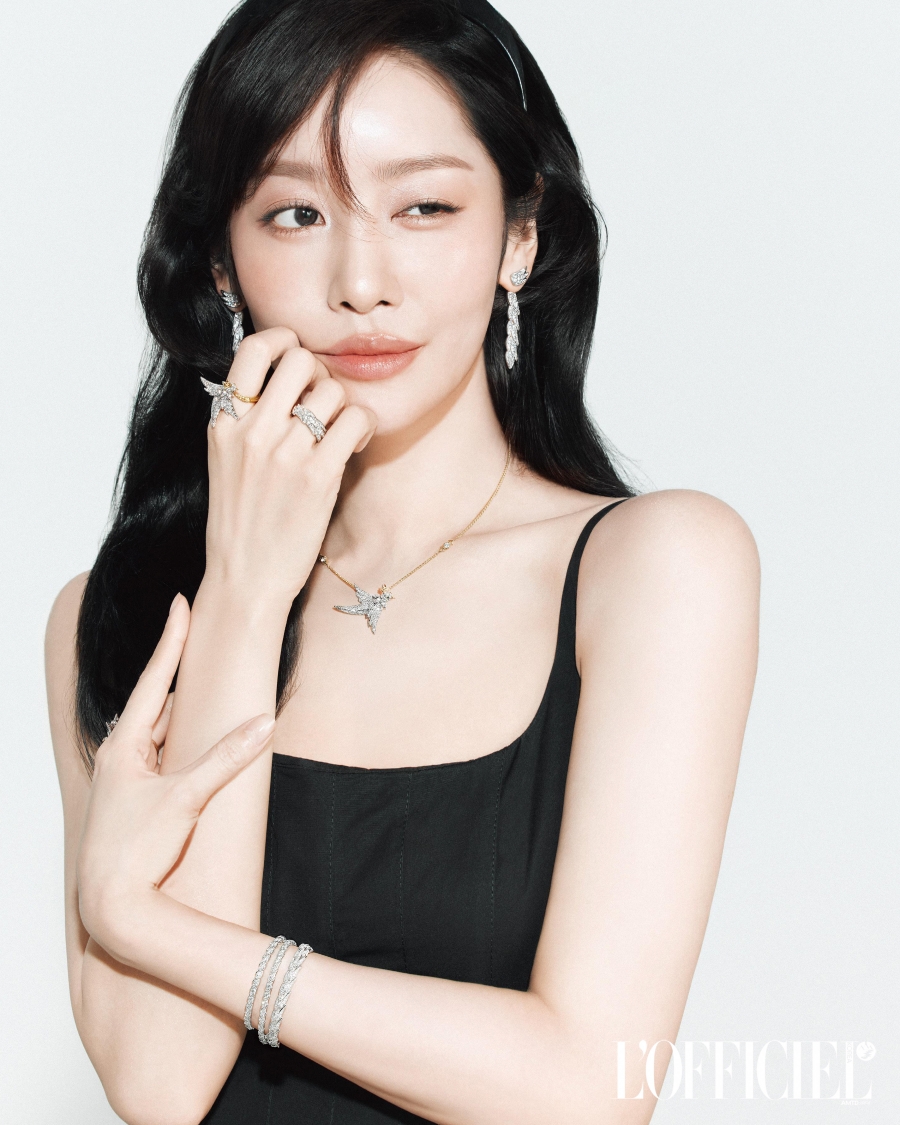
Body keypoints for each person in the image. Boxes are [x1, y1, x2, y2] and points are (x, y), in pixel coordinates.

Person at [45, 1, 760, 1122]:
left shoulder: (655, 568)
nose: (361, 282)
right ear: (222, 263)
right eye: (295, 214)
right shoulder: (117, 612)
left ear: (519, 236)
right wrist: (244, 589)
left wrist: (145, 923)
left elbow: (585, 1091)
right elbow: (159, 1083)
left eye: (424, 206)